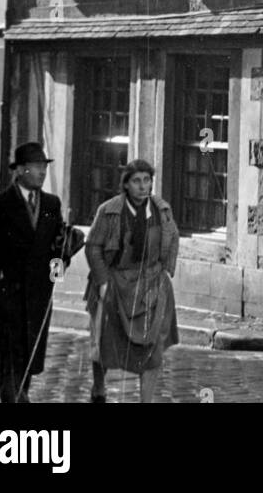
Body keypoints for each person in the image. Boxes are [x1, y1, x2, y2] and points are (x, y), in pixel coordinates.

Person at [0, 141, 83, 403]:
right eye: (35, 167)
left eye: (43, 167)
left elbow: (56, 249)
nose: (41, 172)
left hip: (38, 297)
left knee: (29, 354)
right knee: (9, 355)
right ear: (19, 170)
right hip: (6, 294)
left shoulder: (52, 204)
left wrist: (63, 258)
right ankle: (15, 399)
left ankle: (21, 394)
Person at [85, 158, 179, 404]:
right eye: (136, 181)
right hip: (115, 284)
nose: (142, 186)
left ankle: (145, 401)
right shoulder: (109, 211)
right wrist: (103, 282)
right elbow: (93, 247)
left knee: (153, 348)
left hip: (151, 285)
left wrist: (166, 269)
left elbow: (173, 236)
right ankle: (99, 388)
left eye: (147, 180)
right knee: (104, 341)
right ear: (126, 184)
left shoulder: (162, 211)